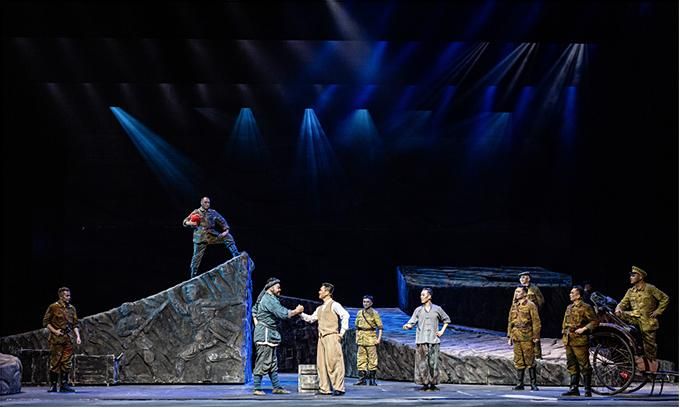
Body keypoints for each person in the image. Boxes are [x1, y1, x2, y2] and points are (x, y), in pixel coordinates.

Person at [251, 278, 304, 396]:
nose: (280, 289)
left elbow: (254, 310)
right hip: (265, 334)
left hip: (269, 333)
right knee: (263, 360)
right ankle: (257, 388)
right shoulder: (268, 299)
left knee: (272, 362)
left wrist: (257, 322)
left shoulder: (268, 298)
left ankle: (277, 387)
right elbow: (282, 313)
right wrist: (297, 311)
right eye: (278, 287)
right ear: (271, 287)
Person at [614, 266, 669, 369]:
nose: (631, 277)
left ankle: (651, 368)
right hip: (634, 319)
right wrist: (618, 308)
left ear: (640, 277)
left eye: (633, 275)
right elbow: (622, 303)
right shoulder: (630, 291)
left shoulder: (650, 288)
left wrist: (658, 311)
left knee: (649, 347)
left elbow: (665, 298)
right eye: (630, 275)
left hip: (647, 321)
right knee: (616, 315)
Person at [300, 283, 350, 396]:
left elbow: (345, 315)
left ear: (327, 292)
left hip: (331, 336)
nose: (319, 292)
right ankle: (325, 388)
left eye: (321, 290)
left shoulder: (334, 304)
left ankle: (339, 388)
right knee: (321, 364)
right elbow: (311, 319)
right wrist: (300, 313)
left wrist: (342, 333)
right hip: (321, 338)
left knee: (334, 362)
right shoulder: (320, 308)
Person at [402, 288, 451, 392]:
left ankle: (433, 383)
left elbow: (446, 320)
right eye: (421, 295)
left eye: (423, 295)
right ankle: (424, 383)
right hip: (421, 340)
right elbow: (412, 322)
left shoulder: (437, 309)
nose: (421, 297)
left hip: (433, 340)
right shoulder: (418, 310)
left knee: (433, 363)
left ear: (429, 296)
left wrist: (441, 331)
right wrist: (408, 326)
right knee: (422, 364)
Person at [183, 196, 240, 278]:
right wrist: (190, 223)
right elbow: (185, 221)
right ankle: (193, 275)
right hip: (200, 237)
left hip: (212, 235)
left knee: (228, 237)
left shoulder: (213, 212)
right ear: (201, 203)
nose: (207, 204)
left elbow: (222, 220)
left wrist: (226, 230)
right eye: (205, 202)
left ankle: (236, 255)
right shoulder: (196, 212)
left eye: (208, 202)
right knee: (196, 257)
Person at [561, 286, 598, 397]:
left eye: (572, 293)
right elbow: (565, 322)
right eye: (570, 293)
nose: (570, 294)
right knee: (571, 364)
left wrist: (584, 329)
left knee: (584, 365)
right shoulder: (569, 307)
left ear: (578, 295)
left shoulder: (586, 307)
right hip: (569, 339)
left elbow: (594, 321)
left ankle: (587, 389)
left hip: (580, 340)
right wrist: (564, 334)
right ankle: (574, 388)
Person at [42, 287, 81, 393]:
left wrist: (78, 336)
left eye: (69, 295)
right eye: (66, 295)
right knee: (55, 362)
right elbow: (46, 322)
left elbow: (75, 324)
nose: (69, 297)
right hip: (56, 339)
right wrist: (55, 331)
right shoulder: (53, 307)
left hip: (68, 339)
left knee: (66, 362)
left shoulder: (72, 308)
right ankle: (53, 385)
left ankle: (64, 385)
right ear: (61, 296)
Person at [507, 286, 541, 391]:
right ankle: (520, 383)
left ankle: (533, 383)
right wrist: (509, 336)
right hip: (516, 335)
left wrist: (536, 336)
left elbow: (536, 321)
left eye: (518, 291)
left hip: (527, 335)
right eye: (516, 291)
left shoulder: (530, 305)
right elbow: (510, 321)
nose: (516, 293)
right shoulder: (514, 305)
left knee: (530, 359)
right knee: (518, 360)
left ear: (525, 293)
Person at [354, 295, 383, 386]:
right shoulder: (359, 313)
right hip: (361, 338)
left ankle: (372, 379)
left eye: (367, 302)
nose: (365, 303)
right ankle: (362, 379)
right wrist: (357, 337)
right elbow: (357, 327)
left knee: (372, 359)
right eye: (364, 302)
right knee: (361, 359)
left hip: (371, 338)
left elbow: (380, 327)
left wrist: (378, 339)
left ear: (371, 303)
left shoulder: (375, 313)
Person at [518, 271, 544, 359]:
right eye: (520, 278)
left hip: (532, 315)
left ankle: (537, 355)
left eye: (523, 277)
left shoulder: (534, 288)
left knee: (535, 334)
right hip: (522, 315)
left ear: (528, 278)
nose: (521, 279)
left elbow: (541, 301)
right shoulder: (519, 289)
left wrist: (535, 311)